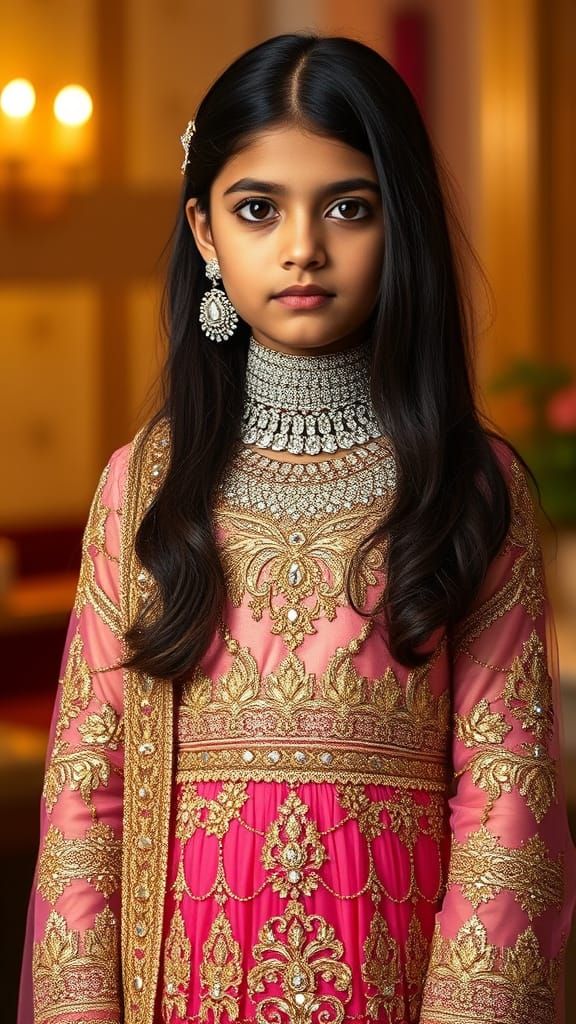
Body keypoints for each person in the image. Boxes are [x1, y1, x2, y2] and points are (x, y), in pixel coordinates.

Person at [18, 31, 576, 1024]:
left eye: (348, 208)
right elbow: (82, 795)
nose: (302, 247)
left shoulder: (470, 486)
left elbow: (507, 800)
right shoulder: (145, 484)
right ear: (203, 231)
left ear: (399, 227)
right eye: (258, 208)